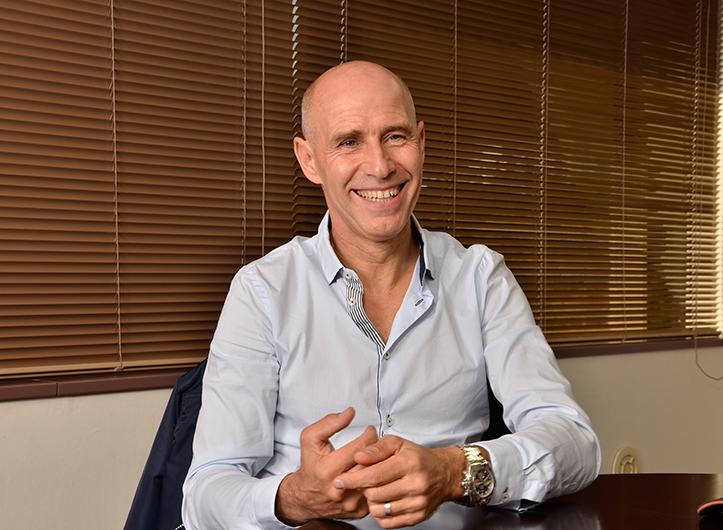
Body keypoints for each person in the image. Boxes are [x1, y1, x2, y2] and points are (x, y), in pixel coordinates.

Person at [182, 61, 600, 530]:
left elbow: (575, 443)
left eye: (395, 136)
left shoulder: (481, 278)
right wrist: (298, 498)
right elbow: (205, 495)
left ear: (421, 142)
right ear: (309, 160)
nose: (380, 167)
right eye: (349, 142)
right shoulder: (262, 291)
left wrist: (453, 471)